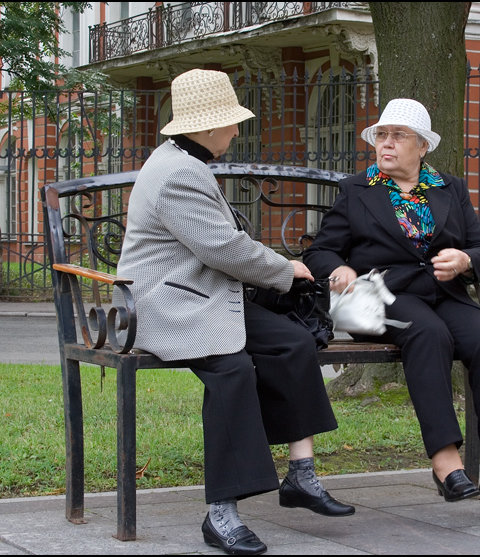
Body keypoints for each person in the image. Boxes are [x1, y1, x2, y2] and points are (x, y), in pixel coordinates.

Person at [116, 68, 354, 556]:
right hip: (168, 304)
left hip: (204, 295)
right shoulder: (179, 172)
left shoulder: (183, 158)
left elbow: (222, 250)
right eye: (230, 122)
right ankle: (221, 513)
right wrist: (287, 269)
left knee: (291, 342)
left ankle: (301, 477)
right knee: (232, 369)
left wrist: (277, 268)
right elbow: (224, 250)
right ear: (205, 127)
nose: (237, 130)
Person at [303, 98, 480, 508]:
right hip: (382, 297)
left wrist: (464, 260)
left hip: (444, 294)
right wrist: (341, 271)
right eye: (381, 136)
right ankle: (445, 462)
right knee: (428, 333)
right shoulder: (357, 189)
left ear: (422, 146)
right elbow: (320, 251)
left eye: (398, 136)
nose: (385, 144)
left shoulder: (450, 189)